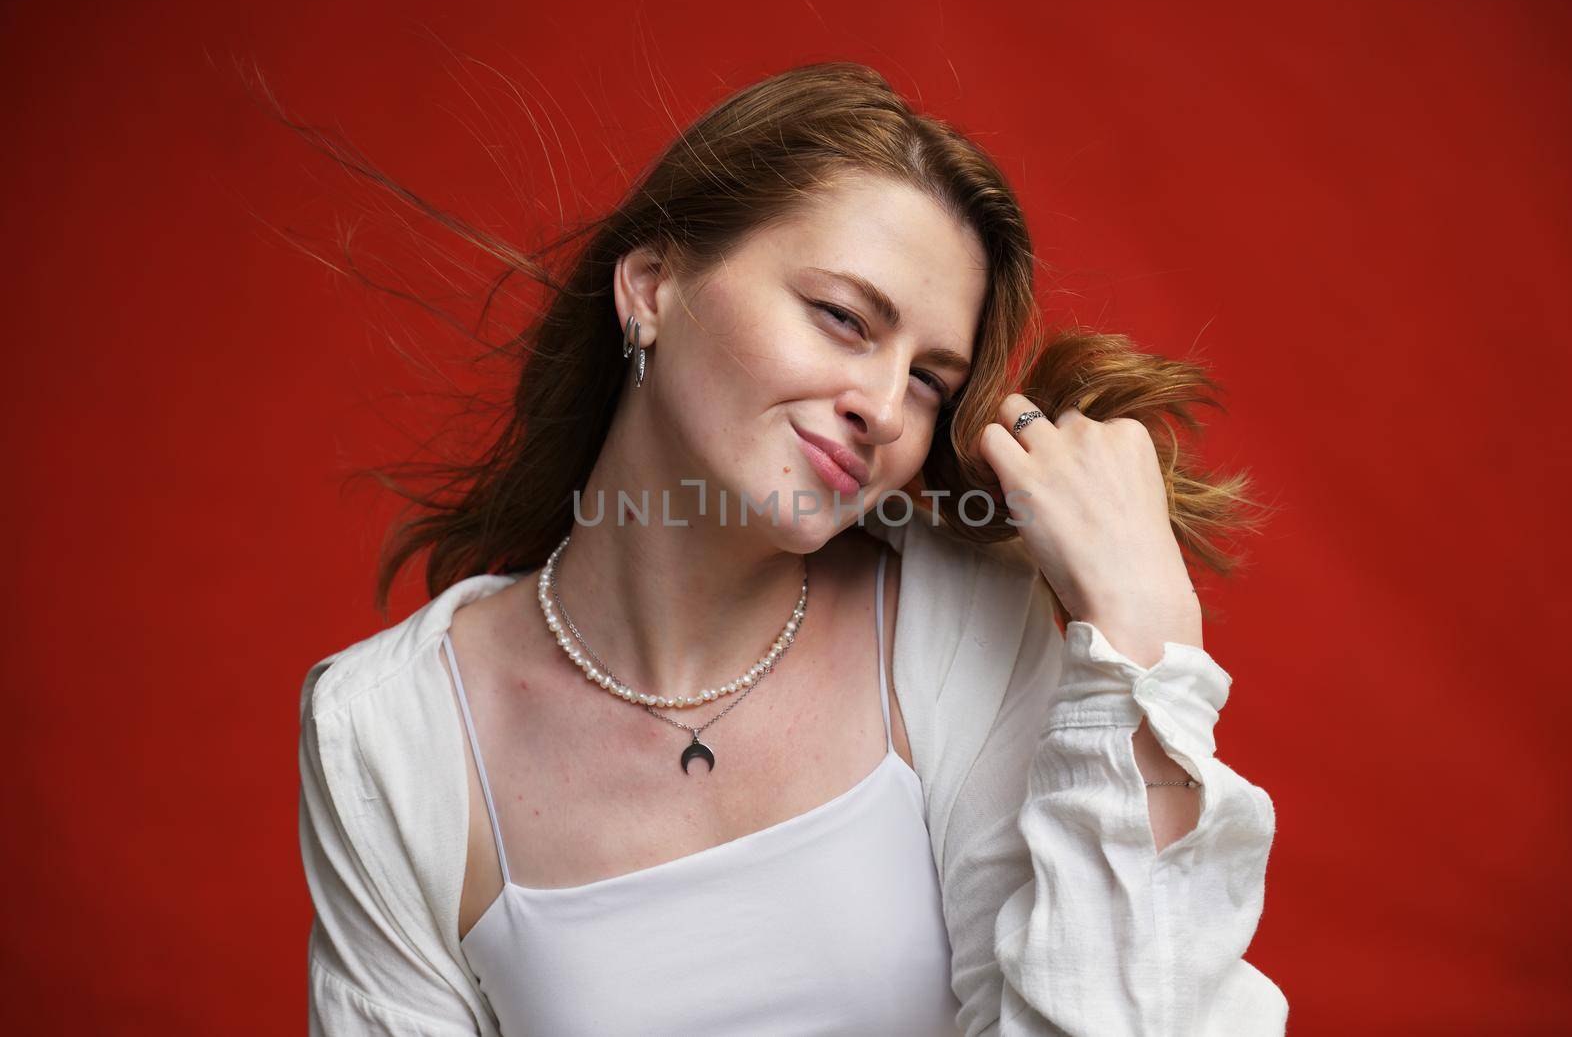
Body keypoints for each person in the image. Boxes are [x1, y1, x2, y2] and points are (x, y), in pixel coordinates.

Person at [295, 60, 1287, 1035]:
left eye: (930, 379)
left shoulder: (955, 628)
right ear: (651, 286)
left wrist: (1150, 638)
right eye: (843, 317)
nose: (882, 406)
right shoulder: (389, 733)